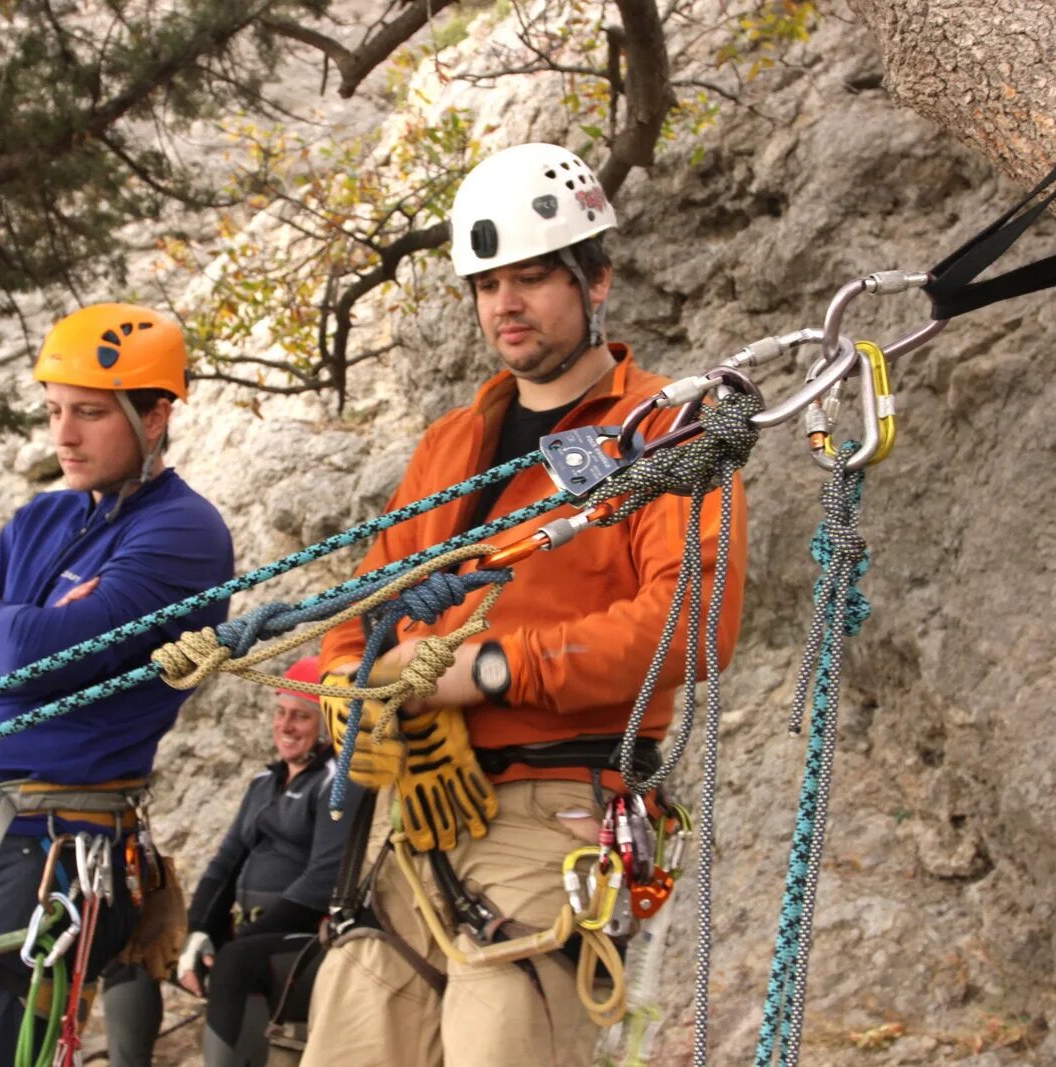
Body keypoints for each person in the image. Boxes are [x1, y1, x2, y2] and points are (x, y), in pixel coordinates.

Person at [299, 142, 751, 1066]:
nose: (505, 303)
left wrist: (490, 670)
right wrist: (355, 687)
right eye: (487, 282)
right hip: (413, 818)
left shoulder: (666, 430)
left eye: (534, 277)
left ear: (598, 282)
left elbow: (693, 621)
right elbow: (361, 611)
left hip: (553, 813)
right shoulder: (450, 446)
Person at [0, 303, 236, 1066]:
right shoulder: (42, 518)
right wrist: (17, 637)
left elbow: (43, 657)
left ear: (156, 415)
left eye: (89, 414)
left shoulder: (183, 533)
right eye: (55, 410)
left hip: (57, 850)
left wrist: (0, 623)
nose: (62, 434)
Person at [104, 655, 362, 1067]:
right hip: (246, 933)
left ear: (328, 725)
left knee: (234, 964)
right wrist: (199, 934)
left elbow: (322, 881)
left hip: (307, 943)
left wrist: (240, 943)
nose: (285, 726)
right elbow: (224, 866)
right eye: (280, 713)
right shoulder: (265, 783)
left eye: (301, 716)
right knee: (135, 948)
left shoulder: (342, 782)